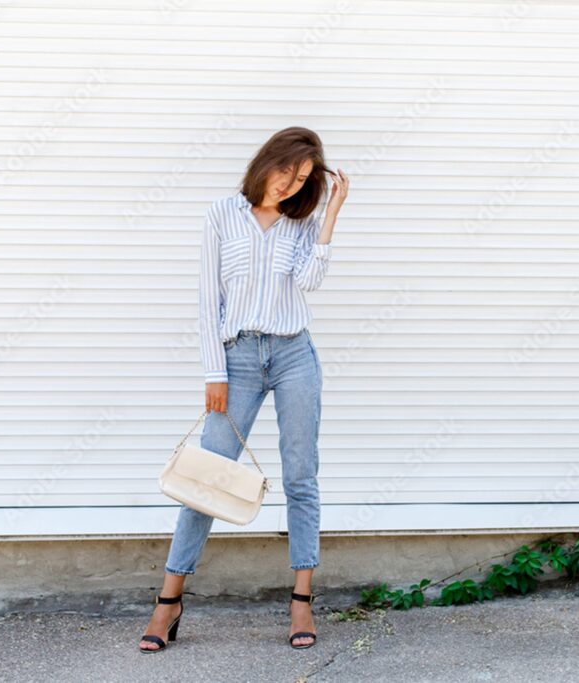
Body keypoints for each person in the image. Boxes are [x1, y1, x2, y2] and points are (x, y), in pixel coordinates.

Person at [138, 127, 349, 652]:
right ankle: (169, 601)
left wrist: (328, 218)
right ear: (267, 162)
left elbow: (308, 282)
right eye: (286, 172)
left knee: (301, 476)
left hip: (295, 353)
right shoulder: (222, 214)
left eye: (301, 180)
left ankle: (301, 601)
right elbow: (208, 300)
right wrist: (215, 372)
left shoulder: (300, 222)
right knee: (204, 480)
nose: (288, 184)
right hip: (237, 361)